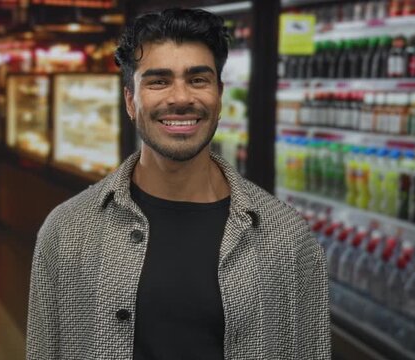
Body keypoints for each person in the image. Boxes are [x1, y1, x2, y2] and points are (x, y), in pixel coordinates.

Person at [26, 7, 330, 360]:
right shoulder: (66, 231)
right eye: (158, 81)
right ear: (130, 101)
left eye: (198, 79)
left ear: (219, 95)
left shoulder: (289, 239)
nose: (181, 98)